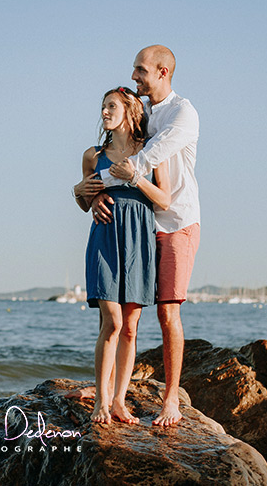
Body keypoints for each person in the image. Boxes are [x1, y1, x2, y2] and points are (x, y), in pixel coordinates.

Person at [73, 45, 200, 428]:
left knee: (162, 314)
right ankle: (108, 392)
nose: (134, 77)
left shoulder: (181, 114)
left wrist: (91, 187)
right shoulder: (126, 129)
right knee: (112, 319)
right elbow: (91, 184)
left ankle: (169, 401)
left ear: (162, 72)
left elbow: (144, 163)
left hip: (172, 223)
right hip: (130, 229)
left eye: (140, 70)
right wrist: (86, 195)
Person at [73, 86, 171, 424]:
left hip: (139, 240)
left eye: (111, 106)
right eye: (102, 107)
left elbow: (165, 199)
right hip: (105, 238)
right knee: (112, 321)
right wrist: (83, 195)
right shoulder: (92, 155)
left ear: (130, 110)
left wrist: (136, 178)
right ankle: (101, 402)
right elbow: (85, 200)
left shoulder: (152, 152)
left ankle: (118, 401)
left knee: (130, 326)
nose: (104, 112)